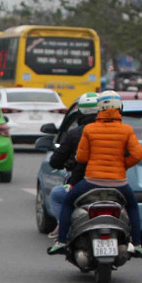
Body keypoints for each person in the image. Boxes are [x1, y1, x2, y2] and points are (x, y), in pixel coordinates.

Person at [50, 91, 142, 258]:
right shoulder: (126, 130)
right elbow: (138, 155)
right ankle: (137, 244)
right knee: (132, 206)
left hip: (91, 182)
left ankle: (61, 241)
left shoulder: (90, 129)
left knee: (67, 202)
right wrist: (122, 165)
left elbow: (81, 157)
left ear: (99, 108)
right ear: (120, 108)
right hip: (119, 183)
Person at [46, 93, 99, 238]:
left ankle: (64, 232)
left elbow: (78, 161)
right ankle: (136, 241)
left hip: (85, 182)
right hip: (116, 183)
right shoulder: (118, 131)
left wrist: (72, 163)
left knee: (58, 195)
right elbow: (133, 156)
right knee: (131, 204)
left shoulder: (78, 133)